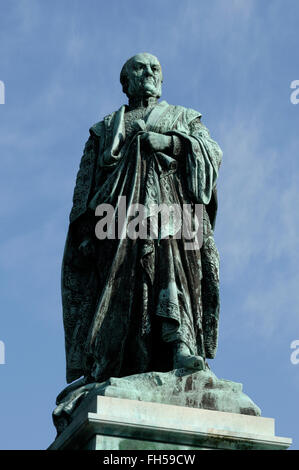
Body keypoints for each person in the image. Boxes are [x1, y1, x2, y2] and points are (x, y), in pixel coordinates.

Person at [62, 53, 222, 385]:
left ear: (161, 81)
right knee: (122, 287)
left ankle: (181, 344)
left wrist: (170, 142)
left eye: (155, 68)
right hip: (116, 223)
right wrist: (85, 230)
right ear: (126, 82)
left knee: (170, 269)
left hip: (174, 216)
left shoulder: (184, 117)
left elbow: (211, 153)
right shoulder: (104, 129)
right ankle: (114, 364)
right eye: (140, 67)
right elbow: (85, 185)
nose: (148, 72)